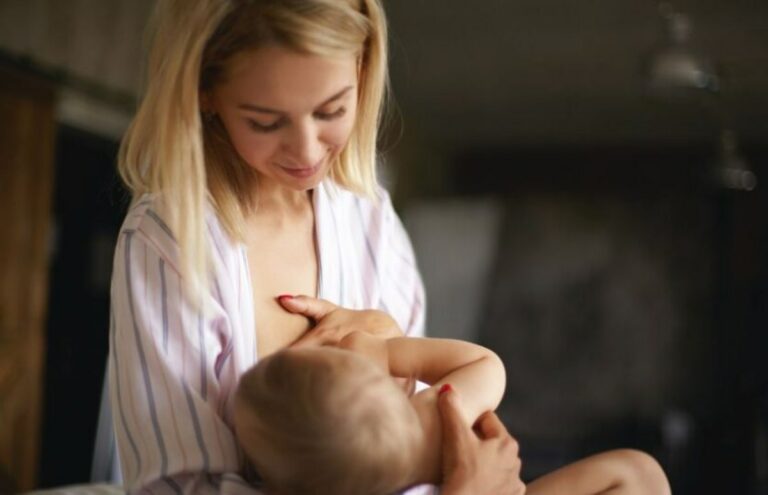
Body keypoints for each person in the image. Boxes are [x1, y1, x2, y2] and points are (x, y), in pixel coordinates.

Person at [108, 0, 522, 493]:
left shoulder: (372, 223)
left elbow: (406, 448)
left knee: (637, 474)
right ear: (204, 93)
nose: (306, 152)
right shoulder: (170, 240)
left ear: (363, 72)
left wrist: (391, 341)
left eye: (332, 110)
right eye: (265, 122)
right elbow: (175, 487)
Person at [233, 299, 671, 495]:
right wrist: (384, 348)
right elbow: (487, 367)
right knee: (639, 474)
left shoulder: (321, 481)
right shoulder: (434, 420)